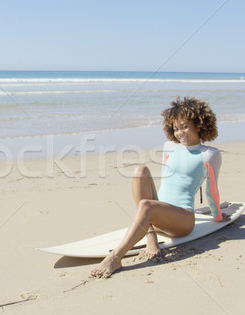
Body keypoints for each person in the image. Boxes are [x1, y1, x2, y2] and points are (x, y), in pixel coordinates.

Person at [90, 97, 230, 278]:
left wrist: (217, 216)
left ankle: (116, 257)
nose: (180, 133)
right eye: (176, 128)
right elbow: (166, 179)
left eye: (185, 126)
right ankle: (151, 235)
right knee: (140, 171)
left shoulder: (209, 155)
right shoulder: (170, 146)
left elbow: (212, 191)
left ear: (199, 124)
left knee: (147, 205)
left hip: (182, 220)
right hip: (157, 212)